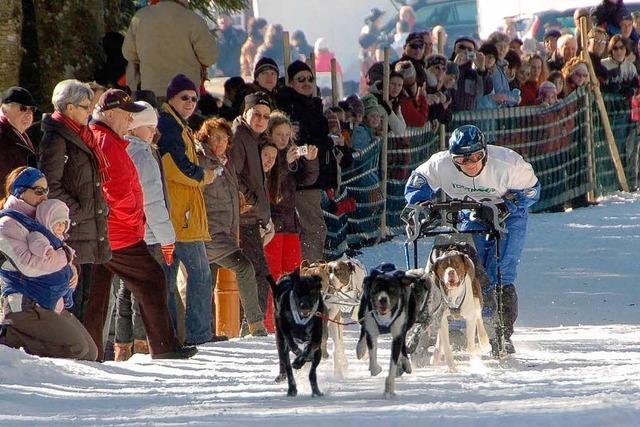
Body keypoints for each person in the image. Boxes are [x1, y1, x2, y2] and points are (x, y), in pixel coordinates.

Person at [405, 125, 540, 354]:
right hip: (471, 211)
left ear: (485, 152)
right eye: (462, 160)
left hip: (508, 214)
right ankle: (458, 323)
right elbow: (418, 180)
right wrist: (421, 205)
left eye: (476, 157)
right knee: (469, 264)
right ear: (452, 158)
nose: (470, 164)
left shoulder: (509, 164)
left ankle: (502, 331)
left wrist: (507, 205)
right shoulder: (441, 164)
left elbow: (533, 191)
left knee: (501, 269)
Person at [86, 88, 196, 360]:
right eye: (126, 116)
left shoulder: (110, 139)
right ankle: (164, 346)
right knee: (152, 279)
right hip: (120, 232)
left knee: (99, 294)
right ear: (111, 114)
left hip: (110, 230)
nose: (129, 122)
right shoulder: (109, 142)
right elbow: (123, 193)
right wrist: (138, 222)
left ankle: (91, 351)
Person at [0, 167, 97, 361]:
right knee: (75, 348)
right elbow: (29, 266)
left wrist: (70, 269)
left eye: (46, 190)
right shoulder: (7, 223)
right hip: (24, 304)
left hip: (49, 301)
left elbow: (58, 252)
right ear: (19, 191)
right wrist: (66, 258)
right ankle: (10, 338)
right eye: (38, 191)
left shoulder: (41, 218)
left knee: (90, 352)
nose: (44, 196)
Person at [38, 79, 111, 322]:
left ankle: (83, 354)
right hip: (72, 231)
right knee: (72, 299)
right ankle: (71, 354)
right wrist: (78, 212)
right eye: (85, 106)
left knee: (85, 300)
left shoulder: (83, 135)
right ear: (69, 108)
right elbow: (50, 186)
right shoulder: (57, 139)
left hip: (89, 229)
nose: (90, 111)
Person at [114, 100, 176, 360]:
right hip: (147, 233)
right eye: (149, 127)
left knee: (124, 291)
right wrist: (167, 238)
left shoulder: (120, 149)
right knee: (147, 289)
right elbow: (152, 200)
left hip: (124, 231)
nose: (153, 132)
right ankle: (142, 343)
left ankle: (122, 345)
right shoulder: (142, 154)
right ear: (137, 127)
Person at [157, 74, 216, 346]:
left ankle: (171, 337)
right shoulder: (169, 126)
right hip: (180, 217)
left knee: (169, 279)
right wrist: (203, 175)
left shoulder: (177, 124)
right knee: (200, 274)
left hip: (177, 216)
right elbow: (174, 166)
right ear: (171, 98)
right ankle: (197, 334)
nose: (190, 102)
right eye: (184, 97)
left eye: (194, 98)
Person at [277, 61, 352, 262]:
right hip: (300, 178)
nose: (307, 83)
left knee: (312, 229)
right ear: (290, 83)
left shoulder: (313, 106)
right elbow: (298, 144)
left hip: (315, 176)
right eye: (300, 79)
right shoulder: (289, 109)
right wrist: (326, 142)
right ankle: (309, 275)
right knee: (314, 229)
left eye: (310, 79)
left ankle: (307, 272)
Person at [196, 117, 263, 340]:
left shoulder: (226, 162)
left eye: (224, 138)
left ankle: (204, 330)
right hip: (210, 231)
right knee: (244, 267)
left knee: (207, 281)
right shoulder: (202, 161)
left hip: (225, 230)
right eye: (215, 137)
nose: (220, 142)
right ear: (205, 138)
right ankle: (256, 325)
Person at [230, 92, 274, 336]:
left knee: (255, 271)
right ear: (245, 112)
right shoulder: (240, 136)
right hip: (244, 217)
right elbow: (233, 175)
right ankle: (252, 326)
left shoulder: (253, 137)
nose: (260, 119)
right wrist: (252, 199)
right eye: (256, 113)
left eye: (265, 116)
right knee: (257, 272)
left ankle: (251, 324)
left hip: (251, 217)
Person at [264, 112, 319, 289]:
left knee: (293, 275)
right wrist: (283, 162)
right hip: (271, 224)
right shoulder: (265, 154)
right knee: (274, 276)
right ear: (269, 134)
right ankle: (270, 317)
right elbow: (268, 184)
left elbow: (307, 179)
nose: (284, 139)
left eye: (287, 135)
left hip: (290, 223)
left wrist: (310, 161)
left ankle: (288, 314)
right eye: (279, 135)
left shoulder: (291, 154)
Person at [122, 0, 217, 98]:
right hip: (185, 95)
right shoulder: (193, 19)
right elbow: (209, 57)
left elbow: (128, 53)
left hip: (151, 91)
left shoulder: (141, 17)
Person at [0, 87, 38, 200]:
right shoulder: (3, 136)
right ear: (4, 110)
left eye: (32, 109)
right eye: (23, 108)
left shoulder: (19, 133)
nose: (29, 114)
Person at [449, 37, 492, 112]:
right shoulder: (446, 67)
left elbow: (486, 90)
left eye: (469, 50)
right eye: (462, 47)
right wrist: (454, 66)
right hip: (449, 115)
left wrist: (482, 69)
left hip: (468, 117)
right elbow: (445, 86)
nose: (465, 51)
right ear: (454, 50)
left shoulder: (473, 74)